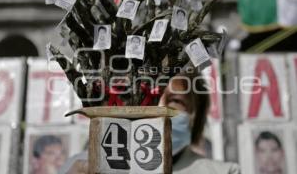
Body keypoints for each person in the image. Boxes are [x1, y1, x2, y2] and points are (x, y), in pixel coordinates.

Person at [62, 69, 240, 174]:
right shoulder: (81, 167)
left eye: (175, 101)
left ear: (195, 114)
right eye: (146, 98)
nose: (158, 111)